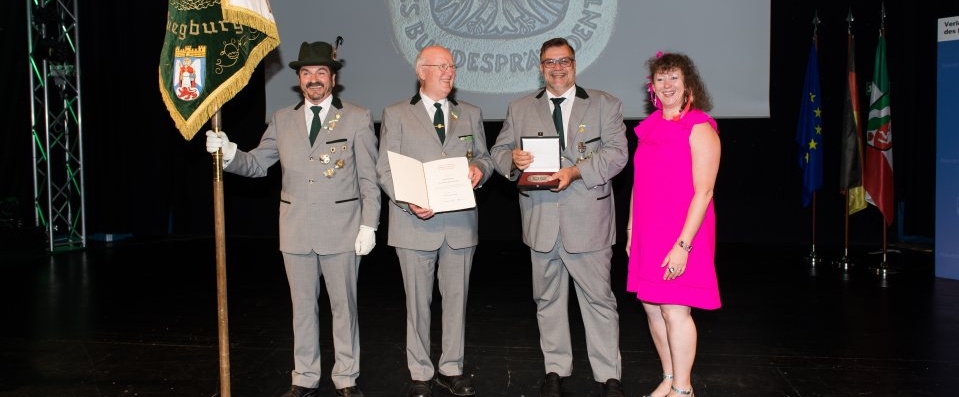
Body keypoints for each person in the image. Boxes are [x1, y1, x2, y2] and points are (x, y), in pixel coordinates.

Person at [205, 41, 379, 397]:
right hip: (296, 230)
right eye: (306, 73)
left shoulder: (357, 117)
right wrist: (229, 152)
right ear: (299, 79)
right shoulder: (282, 120)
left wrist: (369, 224)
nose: (313, 79)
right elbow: (256, 165)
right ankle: (305, 376)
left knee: (344, 308)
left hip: (342, 230)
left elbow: (369, 179)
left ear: (333, 78)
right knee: (301, 309)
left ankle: (346, 377)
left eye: (320, 72)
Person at [488, 37, 628, 397]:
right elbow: (499, 152)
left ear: (574, 64)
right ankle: (555, 368)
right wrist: (513, 162)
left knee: (599, 300)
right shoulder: (519, 108)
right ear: (540, 68)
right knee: (547, 301)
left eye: (563, 60)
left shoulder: (604, 104)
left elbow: (617, 155)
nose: (557, 67)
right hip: (541, 221)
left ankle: (609, 375)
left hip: (589, 220)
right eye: (550, 62)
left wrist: (575, 172)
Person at [376, 44, 494, 397]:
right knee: (417, 302)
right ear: (421, 72)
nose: (449, 72)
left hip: (459, 224)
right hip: (414, 224)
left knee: (456, 300)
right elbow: (385, 167)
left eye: (452, 67)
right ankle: (420, 372)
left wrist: (479, 171)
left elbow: (485, 158)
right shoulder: (396, 114)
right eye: (441, 66)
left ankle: (451, 368)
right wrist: (408, 200)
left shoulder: (470, 112)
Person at [626, 51, 721, 397]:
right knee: (653, 309)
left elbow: (705, 191)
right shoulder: (649, 128)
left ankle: (683, 389)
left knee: (675, 311)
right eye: (660, 79)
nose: (666, 85)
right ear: (653, 87)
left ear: (687, 86)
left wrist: (683, 245)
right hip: (648, 233)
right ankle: (668, 378)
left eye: (674, 79)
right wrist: (631, 230)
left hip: (683, 233)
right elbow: (640, 182)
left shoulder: (699, 127)